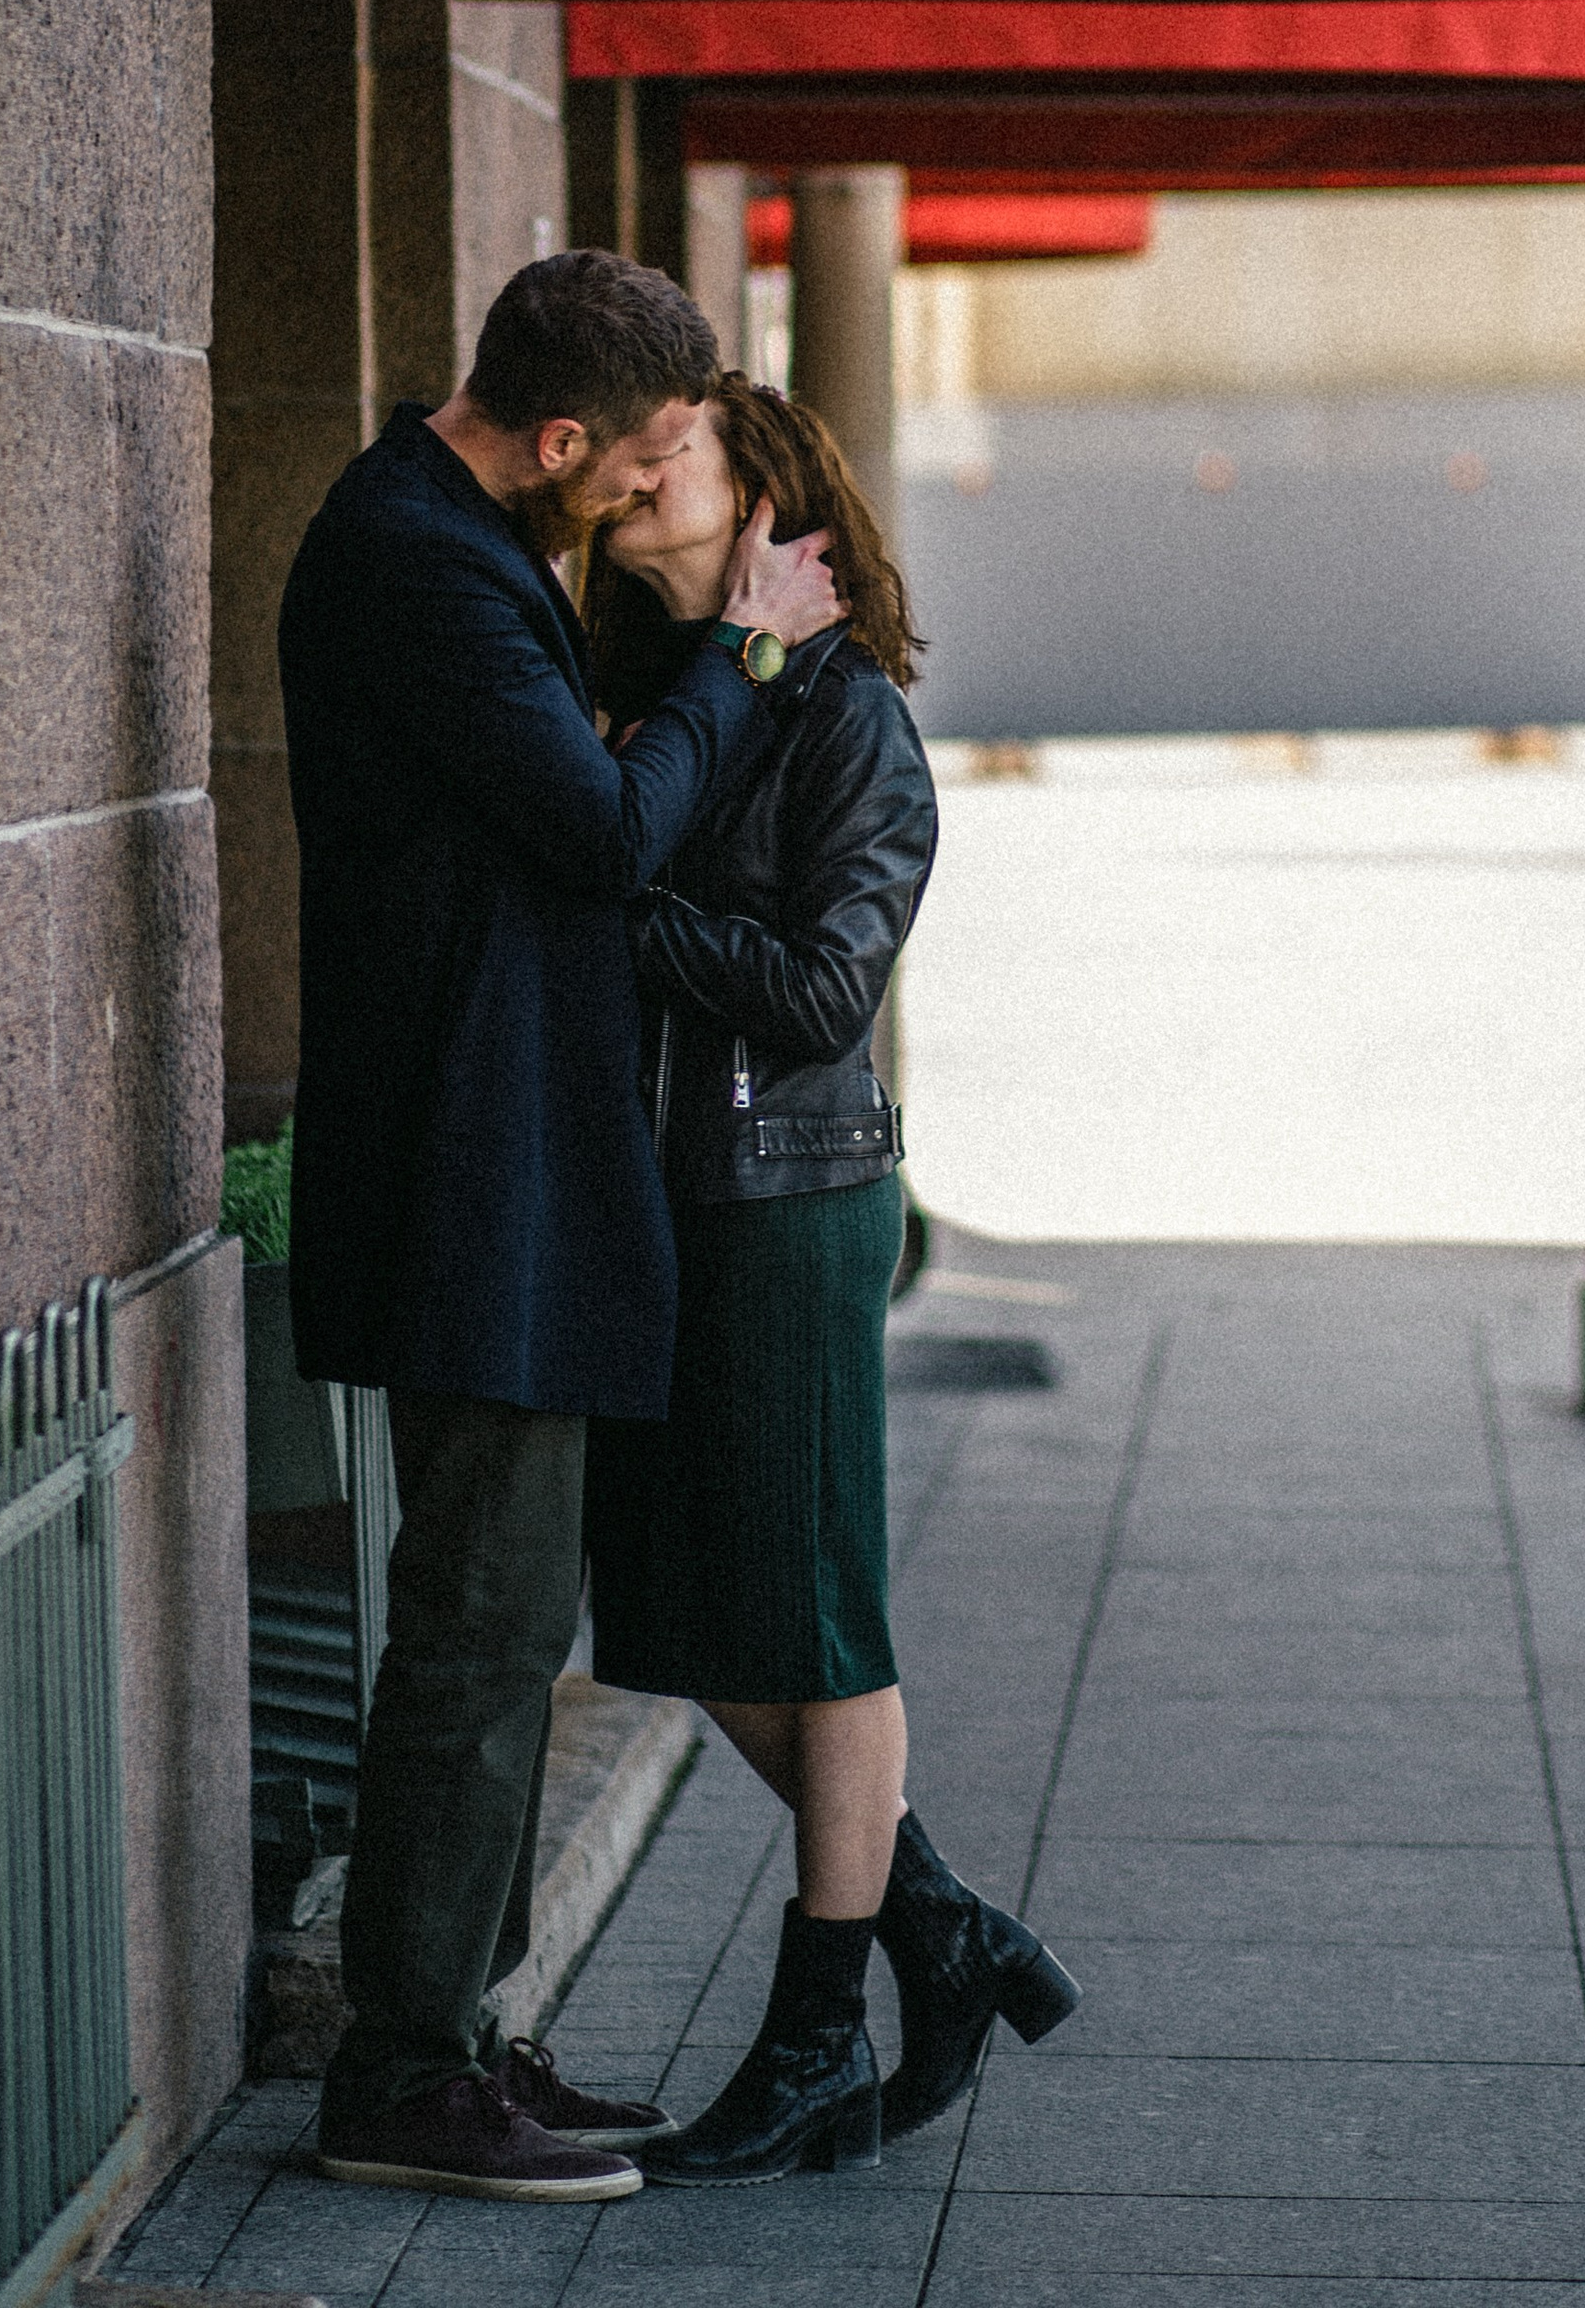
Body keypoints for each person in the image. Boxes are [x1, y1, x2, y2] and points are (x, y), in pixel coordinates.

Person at [279, 251, 844, 2206]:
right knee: (479, 1630)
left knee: (507, 1629)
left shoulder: (462, 536)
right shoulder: (420, 562)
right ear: (553, 437)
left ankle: (467, 2035)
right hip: (469, 1170)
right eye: (649, 457)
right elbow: (608, 841)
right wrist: (746, 660)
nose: (651, 488)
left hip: (503, 1158)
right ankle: (405, 2071)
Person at [582, 375, 1079, 2184]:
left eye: (671, 450)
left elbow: (817, 993)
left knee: (811, 1615)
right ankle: (941, 1932)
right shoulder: (656, 690)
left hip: (789, 1201)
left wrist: (620, 904)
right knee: (670, 1614)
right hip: (656, 1206)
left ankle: (814, 2035)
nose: (632, 473)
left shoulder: (849, 720)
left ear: (766, 489)